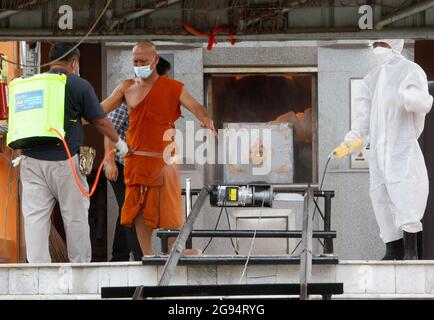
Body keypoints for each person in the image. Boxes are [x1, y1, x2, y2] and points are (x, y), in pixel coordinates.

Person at [102, 42, 216, 255]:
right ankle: (147, 256)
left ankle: (175, 250)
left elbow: (195, 106)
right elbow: (100, 112)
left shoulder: (174, 88)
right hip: (136, 161)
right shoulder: (126, 87)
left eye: (143, 61)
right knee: (137, 211)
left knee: (170, 207)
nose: (138, 65)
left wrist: (206, 118)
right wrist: (75, 115)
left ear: (155, 60)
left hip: (164, 160)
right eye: (135, 62)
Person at [19, 43, 128, 263]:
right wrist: (120, 144)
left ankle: (39, 278)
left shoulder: (30, 84)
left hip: (29, 161)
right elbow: (100, 120)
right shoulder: (78, 84)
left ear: (51, 62)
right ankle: (80, 274)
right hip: (65, 160)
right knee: (75, 218)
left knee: (35, 221)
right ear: (74, 63)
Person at [335, 39, 433, 260]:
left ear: (396, 43)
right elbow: (363, 120)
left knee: (406, 196)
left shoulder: (410, 71)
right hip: (378, 154)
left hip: (402, 149)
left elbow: (423, 104)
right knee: (380, 197)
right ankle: (393, 250)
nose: (378, 47)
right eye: (376, 43)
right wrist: (348, 144)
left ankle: (411, 252)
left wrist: (412, 98)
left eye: (384, 43)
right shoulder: (372, 78)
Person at [104, 57, 172, 261]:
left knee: (127, 210)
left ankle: (119, 257)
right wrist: (109, 161)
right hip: (120, 164)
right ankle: (143, 258)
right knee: (133, 210)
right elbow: (109, 128)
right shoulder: (128, 97)